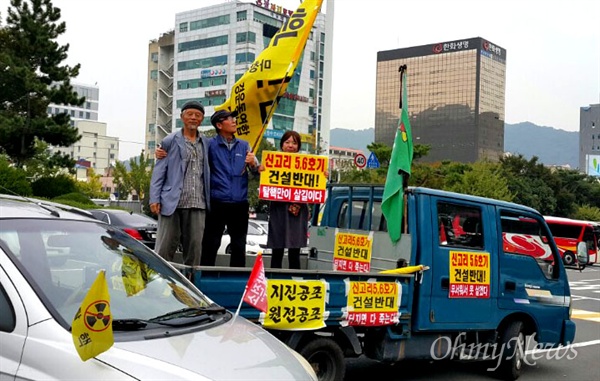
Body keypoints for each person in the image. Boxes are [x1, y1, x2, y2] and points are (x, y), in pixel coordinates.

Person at [154, 109, 258, 267]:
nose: (234, 121)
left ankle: (237, 283)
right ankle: (205, 277)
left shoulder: (245, 146)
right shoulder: (209, 144)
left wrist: (254, 164)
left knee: (238, 244)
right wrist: (161, 151)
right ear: (219, 124)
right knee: (210, 243)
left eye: (233, 118)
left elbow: (258, 173)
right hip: (216, 201)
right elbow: (190, 146)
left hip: (239, 202)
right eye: (229, 119)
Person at [149, 100, 211, 268]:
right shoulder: (170, 141)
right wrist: (154, 198)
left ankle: (190, 289)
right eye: (189, 114)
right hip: (172, 202)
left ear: (202, 119)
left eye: (197, 115)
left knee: (194, 250)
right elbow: (159, 171)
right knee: (165, 248)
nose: (193, 118)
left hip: (198, 202)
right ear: (182, 117)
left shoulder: (206, 143)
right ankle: (158, 285)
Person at [259, 131, 327, 269]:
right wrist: (261, 170)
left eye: (294, 143)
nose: (291, 146)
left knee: (294, 250)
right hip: (278, 209)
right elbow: (261, 179)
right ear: (282, 145)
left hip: (298, 209)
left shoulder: (308, 164)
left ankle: (294, 278)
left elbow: (315, 184)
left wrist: (323, 174)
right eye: (287, 142)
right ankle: (274, 279)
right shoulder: (271, 161)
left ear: (298, 146)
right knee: (277, 249)